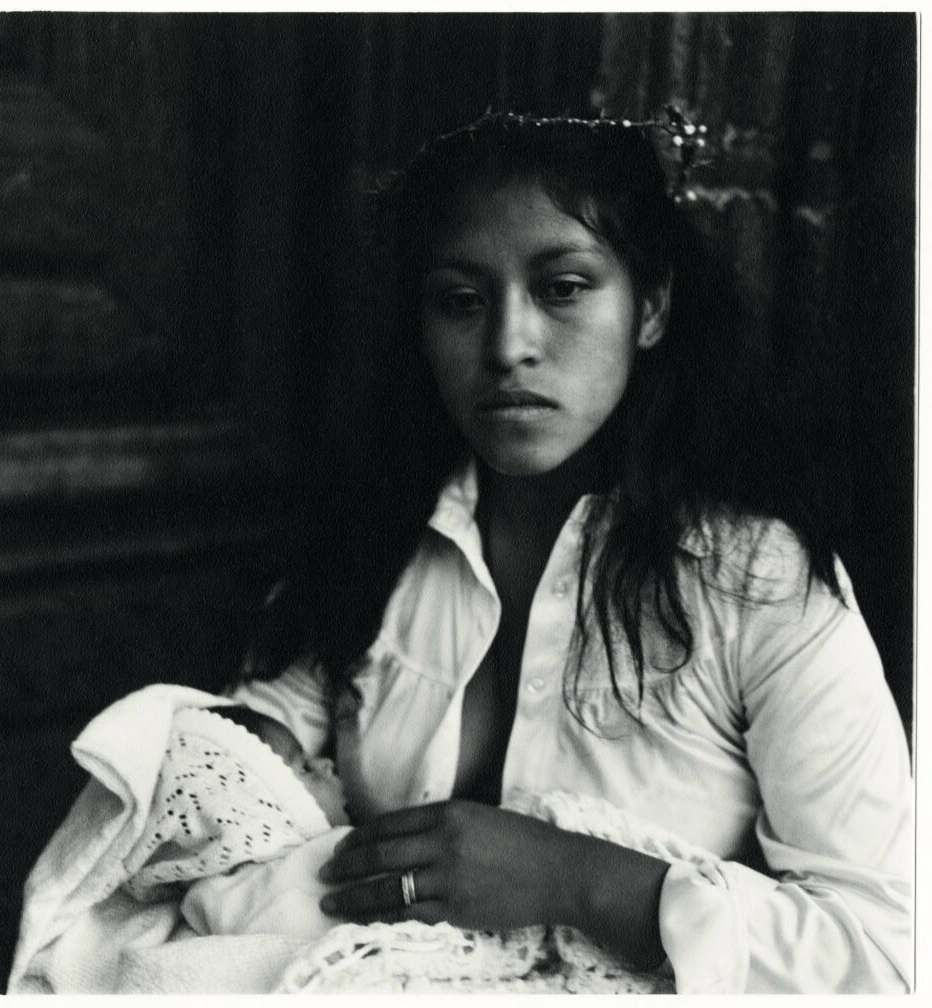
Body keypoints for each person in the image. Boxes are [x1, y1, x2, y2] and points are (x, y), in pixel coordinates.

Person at [222, 111, 911, 993]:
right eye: (462, 302)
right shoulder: (379, 535)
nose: (509, 345)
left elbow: (888, 956)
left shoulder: (760, 585)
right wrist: (242, 764)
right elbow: (265, 726)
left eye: (563, 287)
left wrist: (573, 877)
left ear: (650, 307)